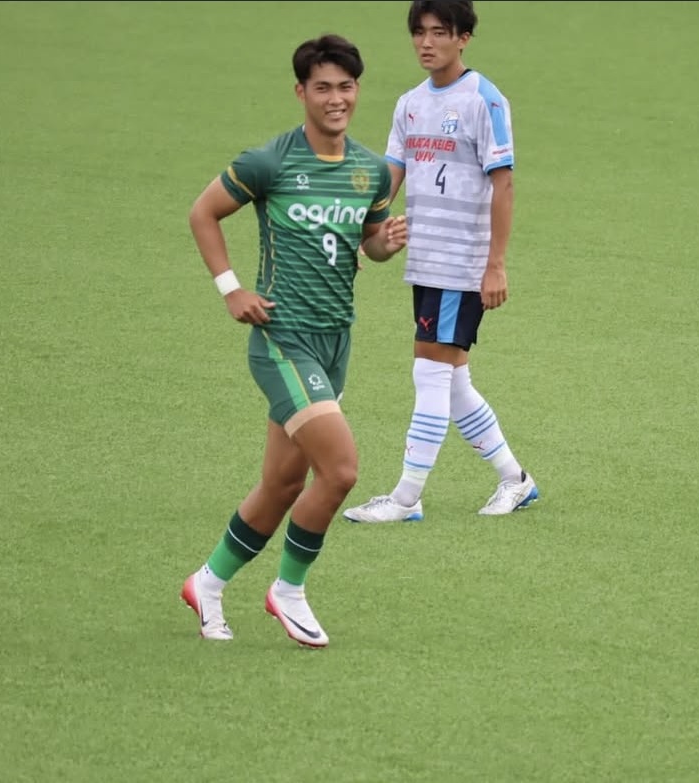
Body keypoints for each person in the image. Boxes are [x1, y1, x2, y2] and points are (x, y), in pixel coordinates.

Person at [180, 34, 408, 647]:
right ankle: (289, 590)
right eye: (323, 88)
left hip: (336, 343)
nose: (337, 99)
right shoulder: (269, 162)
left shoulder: (371, 171)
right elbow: (203, 213)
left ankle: (207, 582)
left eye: (346, 87)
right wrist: (231, 289)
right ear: (301, 92)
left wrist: (384, 244)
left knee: (282, 484)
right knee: (341, 470)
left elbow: (367, 243)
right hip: (282, 341)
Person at [343, 0, 538, 524]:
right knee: (452, 383)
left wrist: (495, 264)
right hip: (425, 262)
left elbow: (504, 184)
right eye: (419, 32)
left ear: (463, 37)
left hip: (461, 263)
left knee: (428, 372)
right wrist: (359, 234)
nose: (426, 43)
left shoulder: (483, 100)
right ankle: (515, 479)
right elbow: (390, 176)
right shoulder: (409, 104)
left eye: (439, 32)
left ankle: (406, 498)